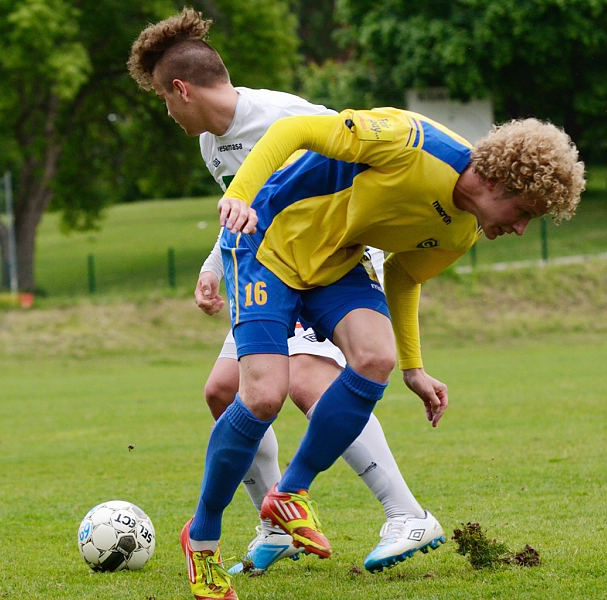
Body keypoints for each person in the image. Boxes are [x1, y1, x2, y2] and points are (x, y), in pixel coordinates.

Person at [187, 108, 585, 599]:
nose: (522, 229)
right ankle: (202, 537)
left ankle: (289, 493)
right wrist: (240, 196)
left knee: (377, 358)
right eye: (525, 212)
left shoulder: (463, 231)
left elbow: (404, 275)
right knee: (264, 396)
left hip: (337, 262)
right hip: (268, 237)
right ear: (502, 182)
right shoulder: (410, 141)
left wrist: (415, 368)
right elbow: (294, 130)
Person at [128, 8, 443, 585]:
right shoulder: (210, 144)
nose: (166, 112)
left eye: (162, 99)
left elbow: (357, 177)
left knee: (303, 383)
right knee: (223, 392)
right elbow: (247, 208)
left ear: (182, 88)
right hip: (266, 266)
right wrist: (213, 264)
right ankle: (277, 522)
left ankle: (406, 514)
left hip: (325, 261)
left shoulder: (289, 116)